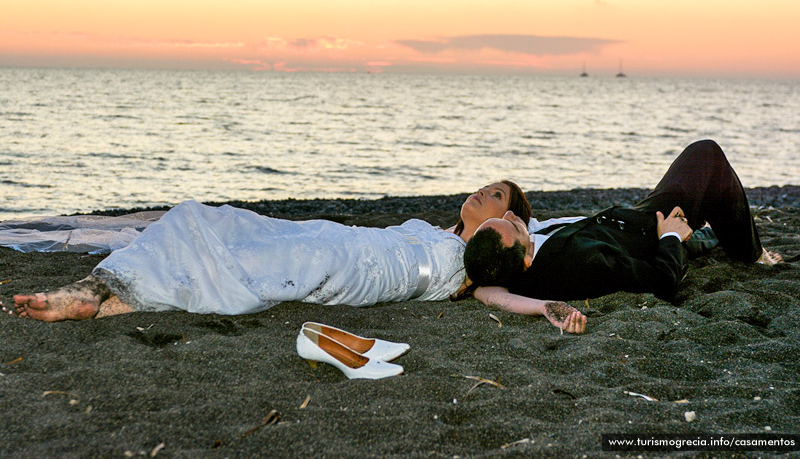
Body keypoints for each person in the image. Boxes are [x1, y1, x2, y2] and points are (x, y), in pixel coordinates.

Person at [7, 180, 587, 333]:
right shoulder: (435, 233)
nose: (484, 197)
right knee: (213, 221)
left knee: (251, 268)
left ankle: (97, 294)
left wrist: (544, 308)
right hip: (343, 237)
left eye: (501, 203)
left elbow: (498, 293)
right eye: (488, 191)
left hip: (356, 269)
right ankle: (111, 293)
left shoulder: (472, 271)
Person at [462, 140, 781, 308]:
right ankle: (753, 254)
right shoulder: (578, 263)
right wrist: (670, 236)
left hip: (633, 216)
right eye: (516, 227)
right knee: (706, 155)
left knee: (708, 198)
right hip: (651, 226)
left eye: (503, 216)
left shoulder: (512, 263)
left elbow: (488, 282)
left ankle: (712, 235)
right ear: (527, 259)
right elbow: (661, 283)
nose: (512, 216)